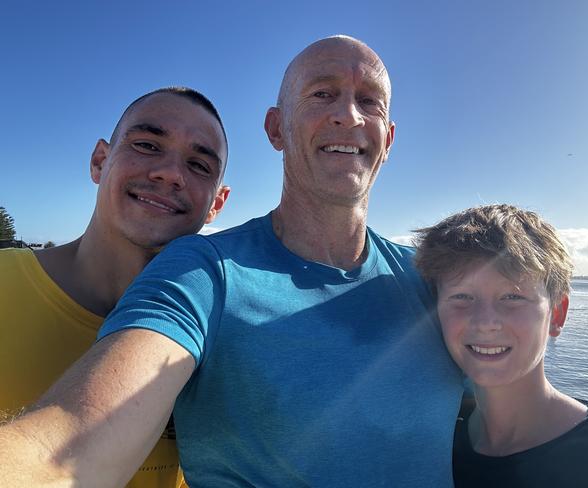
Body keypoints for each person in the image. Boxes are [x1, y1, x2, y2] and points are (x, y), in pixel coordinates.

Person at [0, 36, 462, 487]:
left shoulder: (435, 281)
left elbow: (517, 416)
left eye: (370, 100)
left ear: (390, 138)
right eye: (322, 93)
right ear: (276, 128)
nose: (348, 114)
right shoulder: (201, 272)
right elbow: (63, 452)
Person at [0, 86, 230, 488]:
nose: (171, 173)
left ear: (217, 203)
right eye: (146, 144)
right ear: (100, 160)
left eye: (199, 165)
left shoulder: (225, 334)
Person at [414, 204, 588, 487]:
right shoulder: (437, 444)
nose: (485, 322)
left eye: (512, 297)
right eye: (462, 296)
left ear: (557, 314)